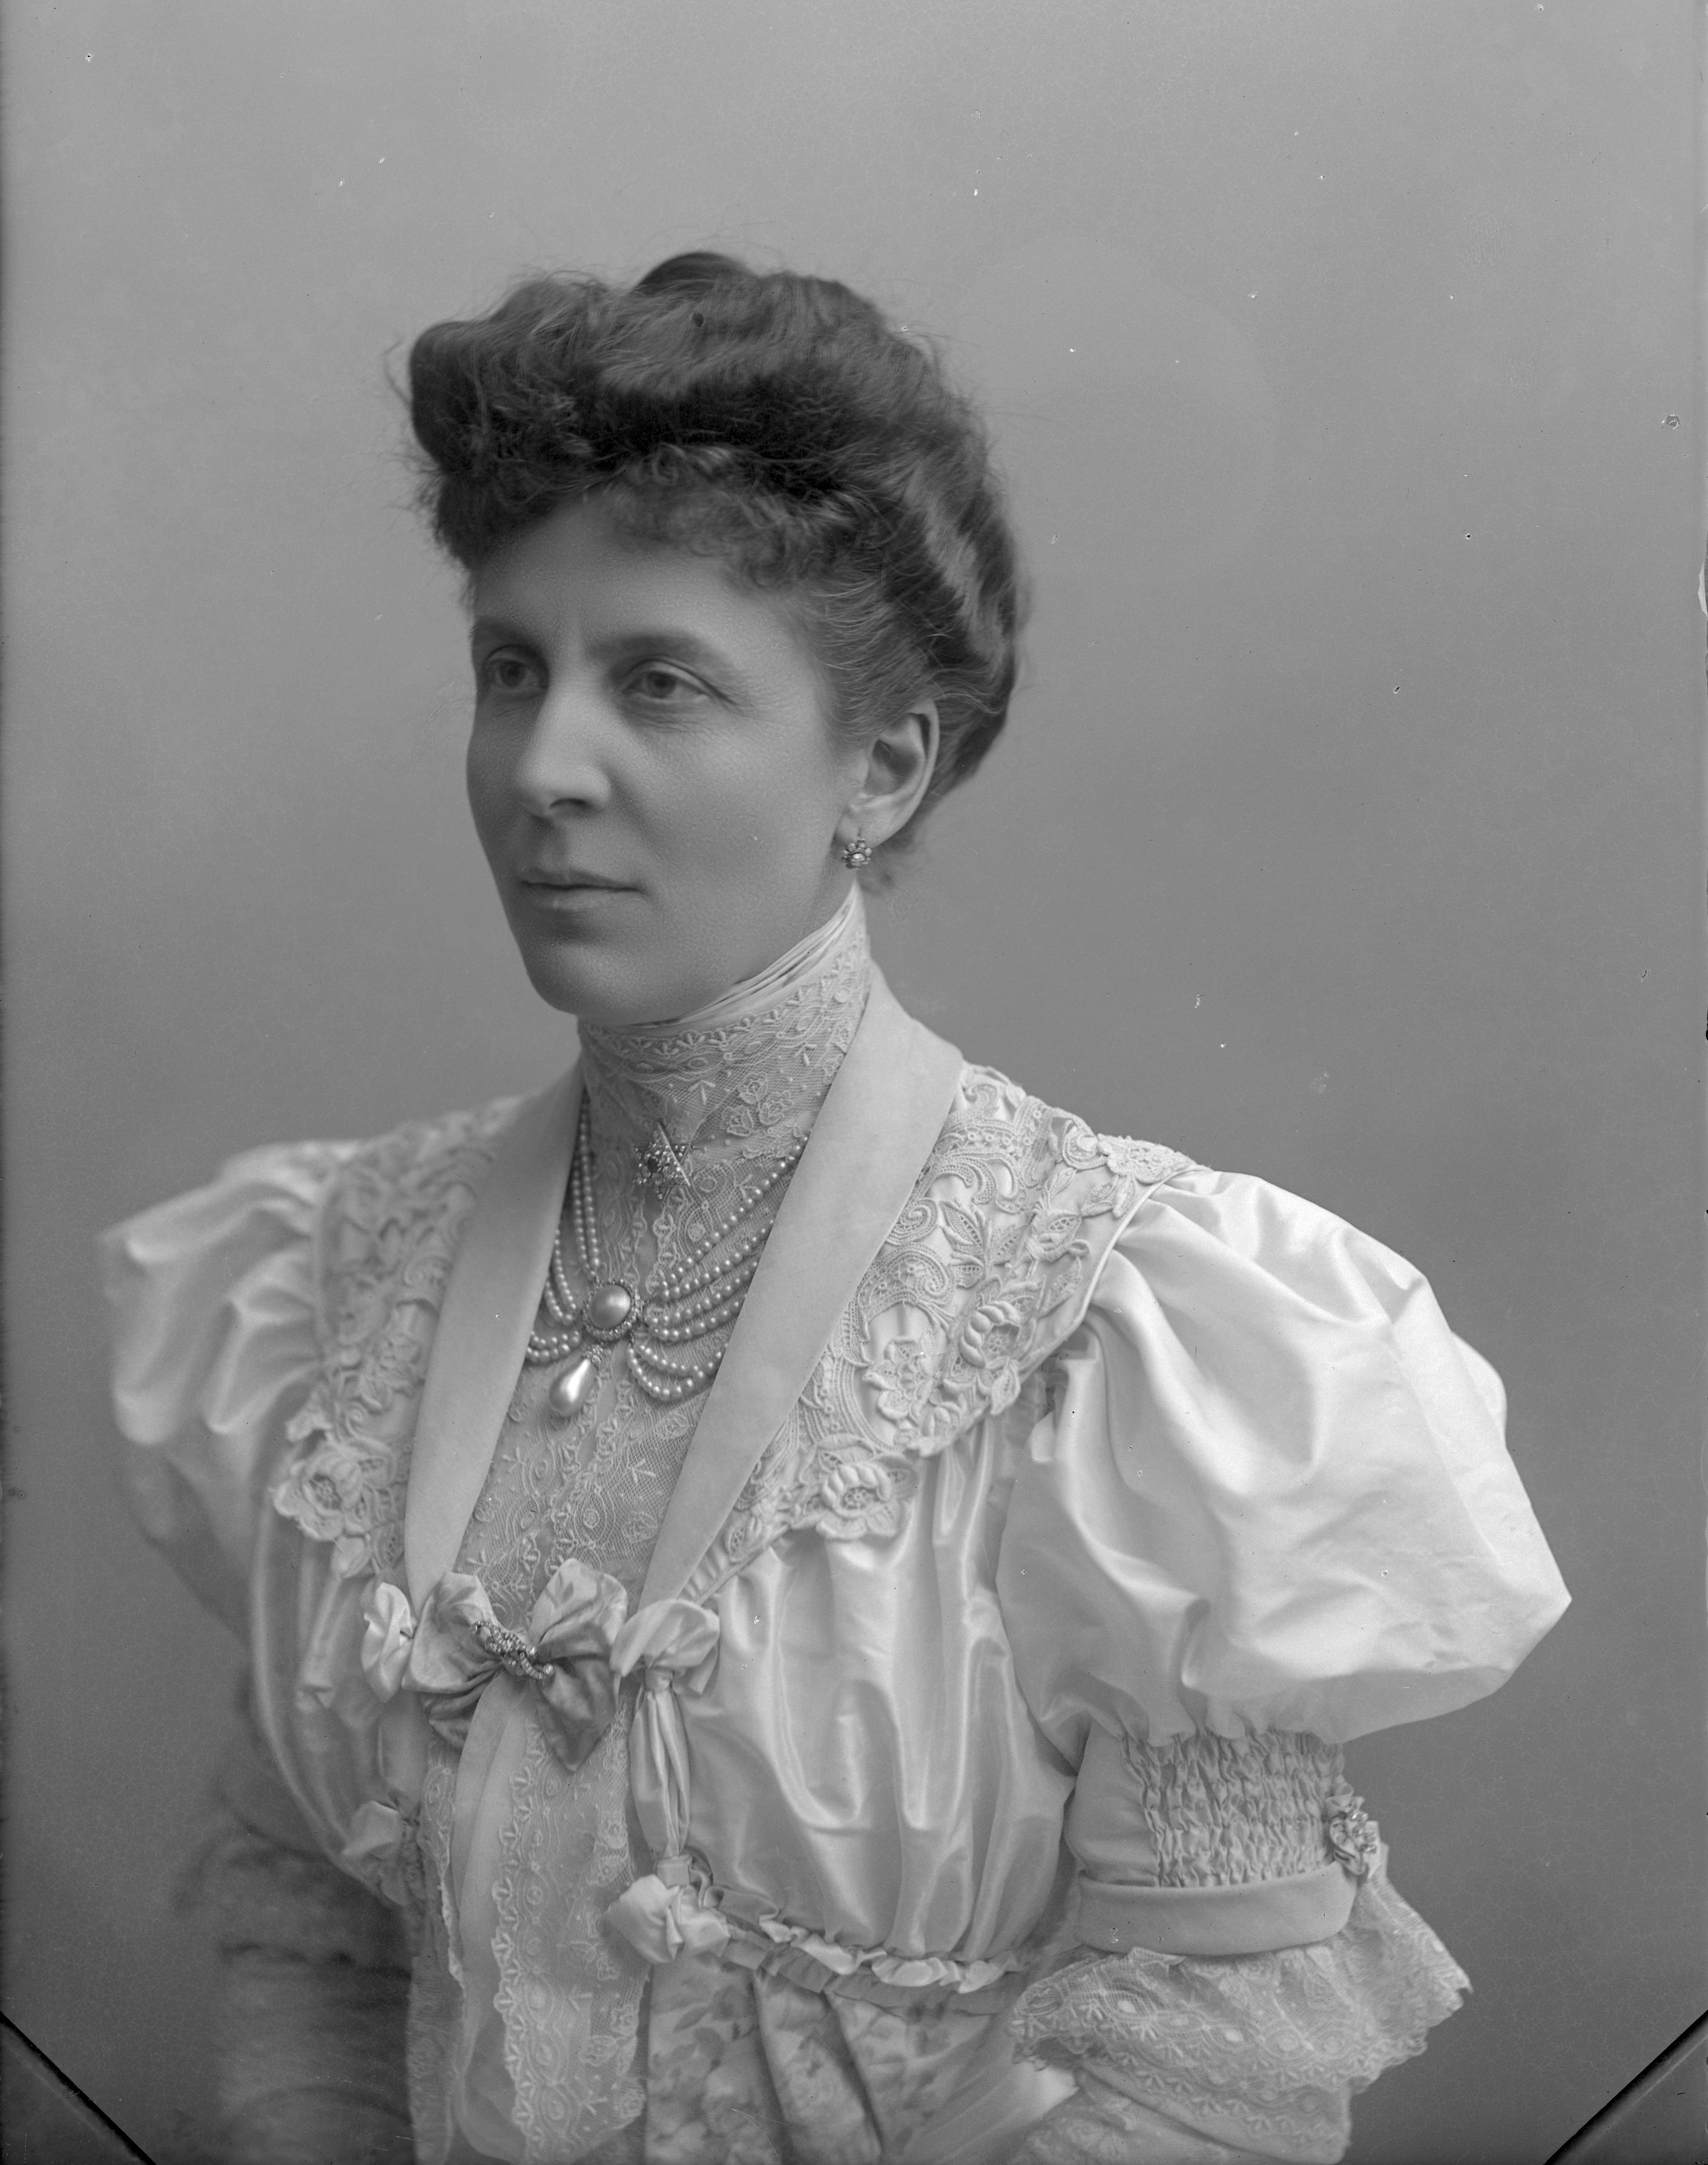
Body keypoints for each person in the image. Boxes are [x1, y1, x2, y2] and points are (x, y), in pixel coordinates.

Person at [104, 252, 1569, 2165]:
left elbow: (1203, 2077)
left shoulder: (1116, 1334)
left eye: (660, 683)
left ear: (883, 765)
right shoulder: (342, 1271)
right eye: (511, 669)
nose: (545, 768)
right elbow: (314, 1934)